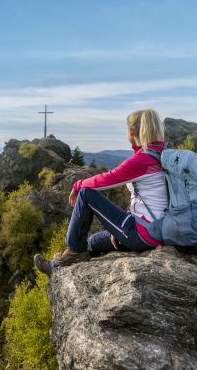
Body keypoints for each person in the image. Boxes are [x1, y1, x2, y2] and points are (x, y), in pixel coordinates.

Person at [34, 109, 168, 275]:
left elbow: (106, 179)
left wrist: (77, 185)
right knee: (93, 242)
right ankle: (56, 266)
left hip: (144, 234)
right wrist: (117, 230)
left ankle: (72, 253)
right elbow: (152, 199)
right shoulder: (164, 156)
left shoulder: (142, 160)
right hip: (161, 229)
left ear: (132, 131)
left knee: (86, 194)